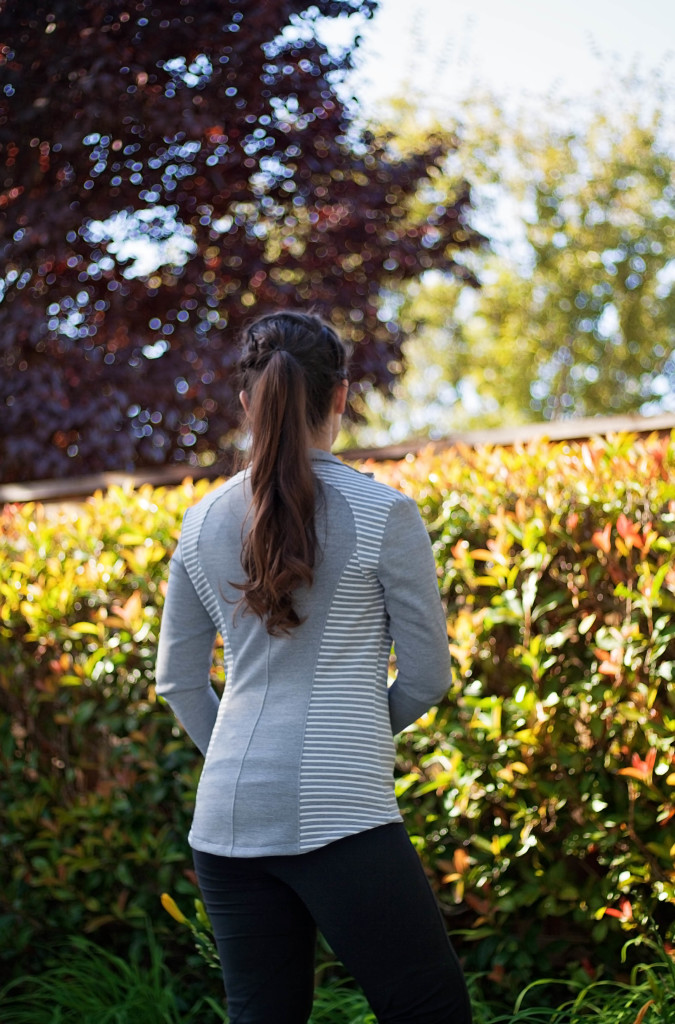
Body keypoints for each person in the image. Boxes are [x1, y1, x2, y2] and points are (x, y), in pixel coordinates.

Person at [155, 311, 472, 1024]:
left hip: (224, 819)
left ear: (248, 402)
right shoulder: (384, 514)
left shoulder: (200, 521)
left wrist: (244, 761)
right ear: (340, 397)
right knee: (431, 1011)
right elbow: (427, 677)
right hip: (341, 813)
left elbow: (177, 680)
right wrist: (351, 743)